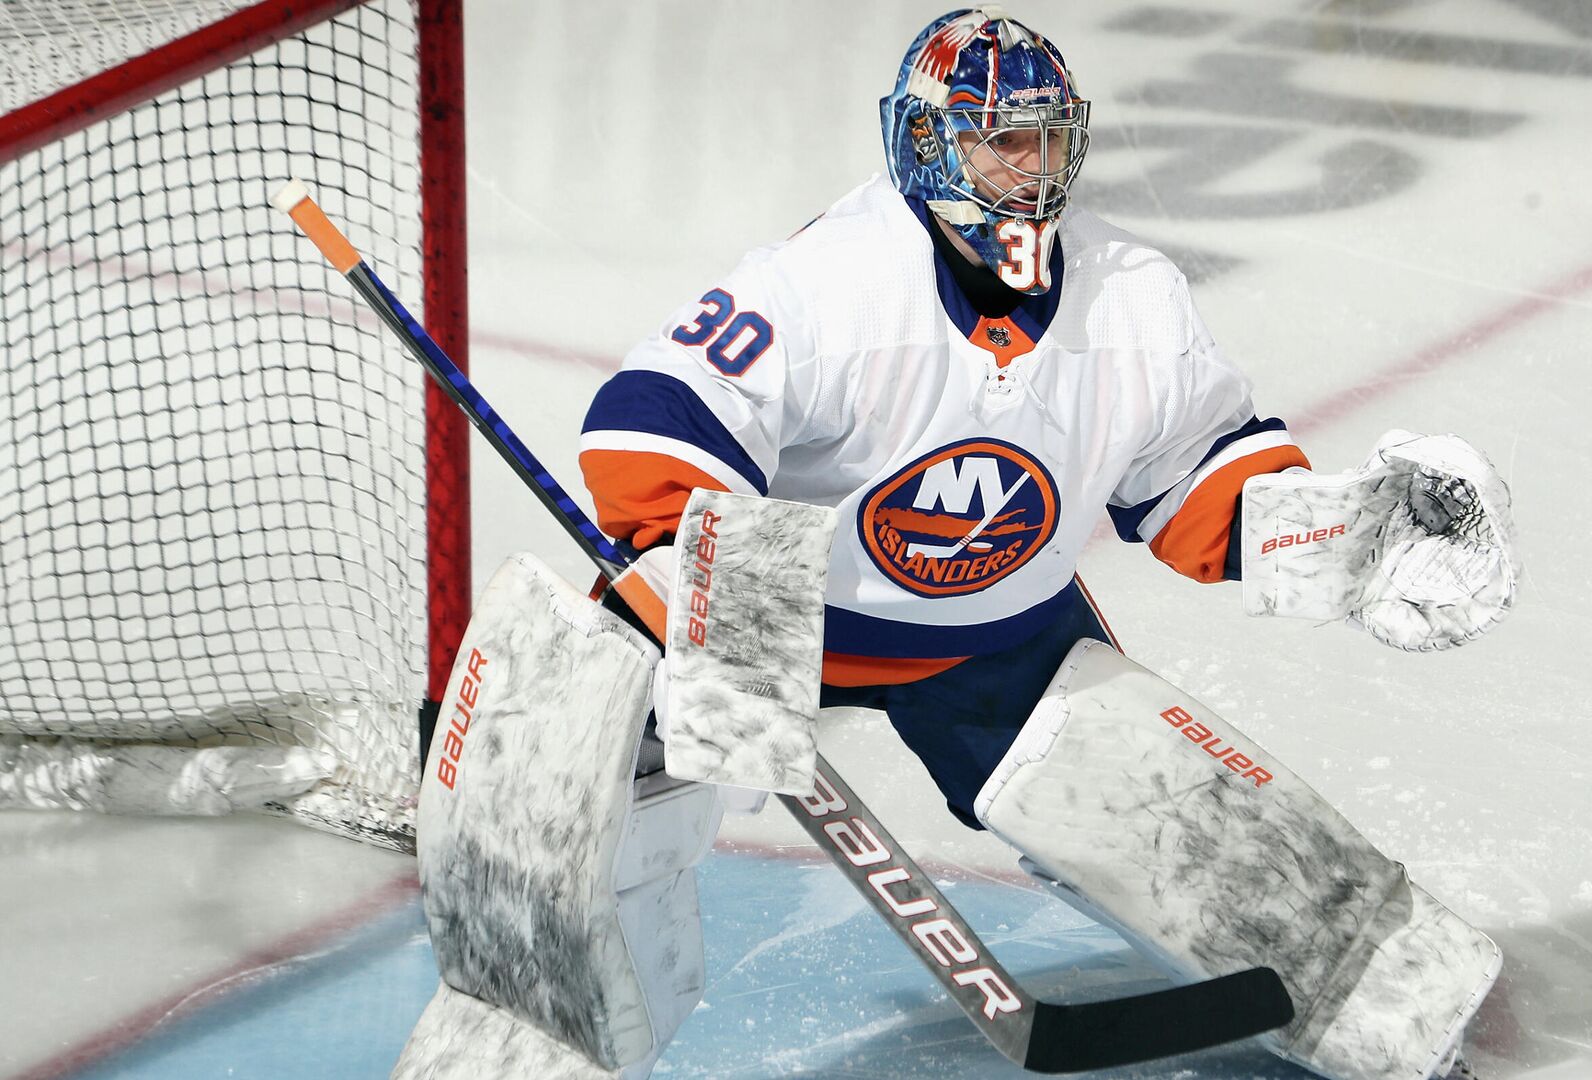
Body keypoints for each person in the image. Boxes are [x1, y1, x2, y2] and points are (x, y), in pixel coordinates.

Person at [580, 9, 1514, 1080]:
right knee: (573, 831)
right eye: (996, 139)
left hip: (999, 640)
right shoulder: (829, 284)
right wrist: (725, 610)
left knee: (1243, 875)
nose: (1028, 171)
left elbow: (1198, 482)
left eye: (1048, 140)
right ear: (925, 142)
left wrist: (1356, 544)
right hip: (775, 614)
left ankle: (1376, 1001)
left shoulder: (1133, 297)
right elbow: (651, 421)